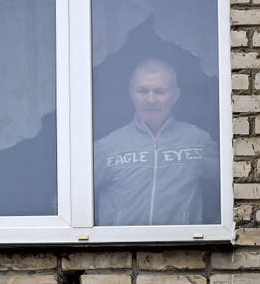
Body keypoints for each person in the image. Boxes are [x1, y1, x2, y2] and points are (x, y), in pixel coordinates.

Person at [94, 58, 220, 226]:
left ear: (175, 95)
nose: (150, 99)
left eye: (160, 91)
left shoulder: (198, 141)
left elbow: (233, 188)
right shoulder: (107, 147)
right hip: (121, 249)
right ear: (131, 93)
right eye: (142, 91)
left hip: (183, 248)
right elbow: (71, 199)